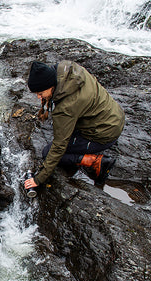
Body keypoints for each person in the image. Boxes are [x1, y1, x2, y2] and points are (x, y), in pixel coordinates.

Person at [24, 60, 125, 191]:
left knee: (47, 152)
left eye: (40, 93)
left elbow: (59, 146)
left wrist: (39, 179)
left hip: (104, 134)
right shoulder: (67, 69)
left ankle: (93, 161)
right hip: (115, 117)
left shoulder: (66, 107)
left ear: (50, 85)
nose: (38, 97)